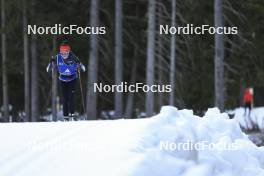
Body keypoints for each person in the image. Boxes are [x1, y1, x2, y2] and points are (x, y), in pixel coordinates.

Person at [47, 40, 86, 120]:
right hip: (62, 79)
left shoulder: (73, 57)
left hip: (72, 79)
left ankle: (72, 114)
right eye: (62, 53)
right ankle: (65, 116)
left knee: (71, 97)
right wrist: (51, 64)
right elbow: (48, 68)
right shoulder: (58, 57)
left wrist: (79, 65)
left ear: (68, 52)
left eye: (65, 53)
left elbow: (83, 68)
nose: (64, 55)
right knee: (64, 99)